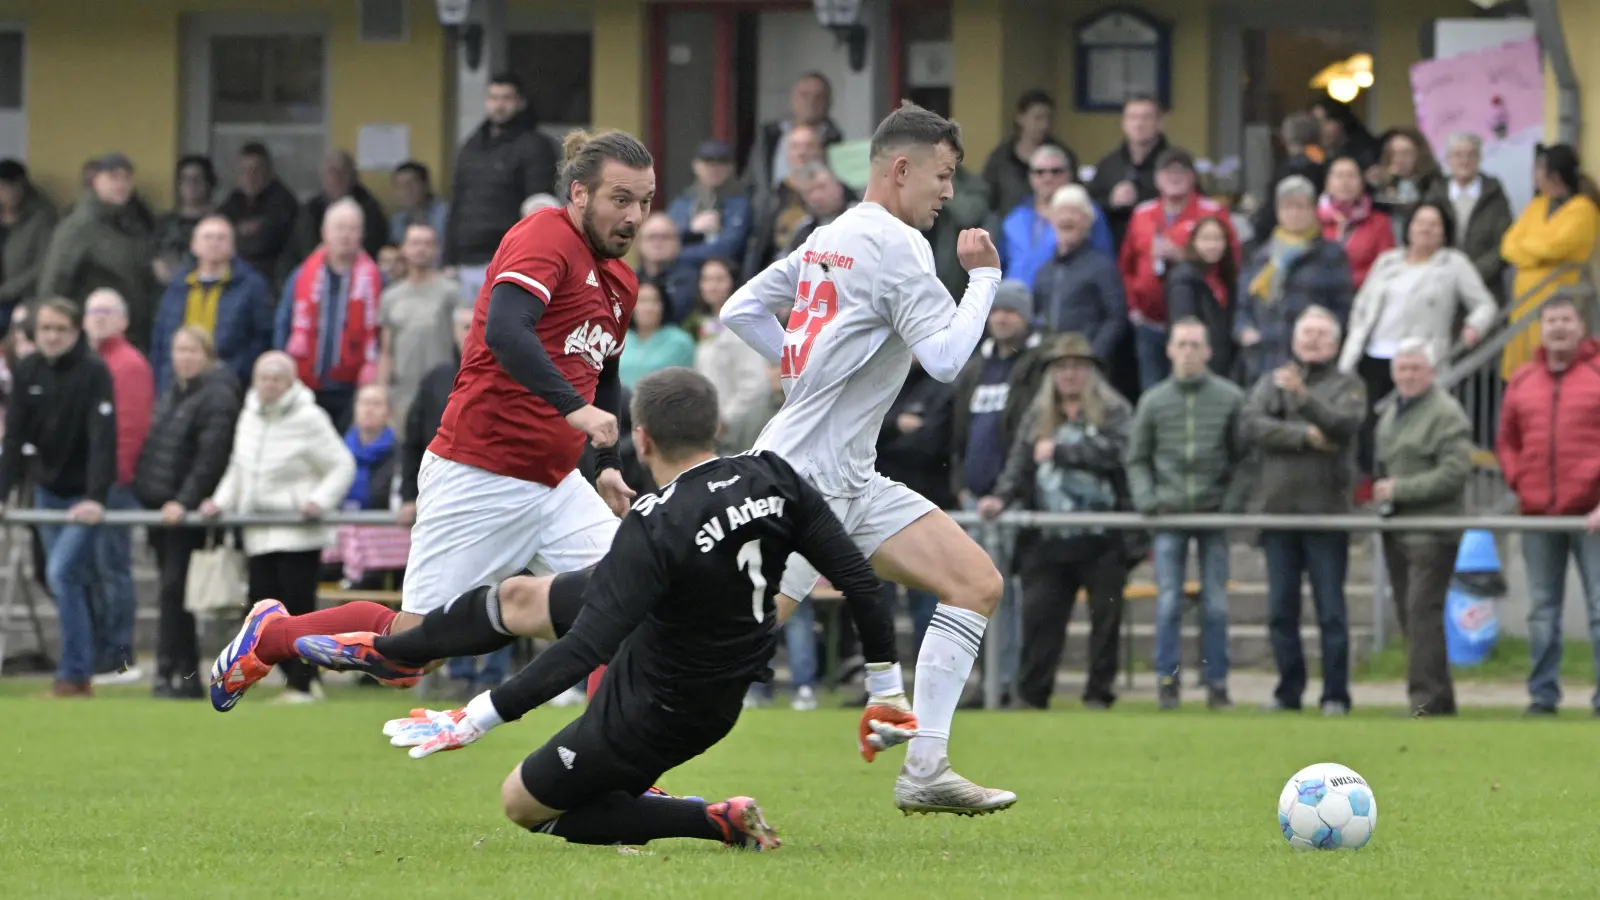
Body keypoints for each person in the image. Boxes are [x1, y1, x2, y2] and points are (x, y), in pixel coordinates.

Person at [296, 368, 906, 850]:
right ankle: (388, 650)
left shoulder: (655, 523)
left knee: (523, 805)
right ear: (715, 425)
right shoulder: (774, 476)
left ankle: (711, 820)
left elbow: (587, 648)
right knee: (520, 596)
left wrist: (475, 717)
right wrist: (888, 692)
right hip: (710, 666)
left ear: (640, 438)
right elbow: (859, 580)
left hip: (662, 702)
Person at [208, 129, 653, 712]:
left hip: (554, 484)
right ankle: (270, 635)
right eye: (621, 198)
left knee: (633, 607)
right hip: (480, 471)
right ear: (578, 194)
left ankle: (616, 780)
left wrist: (605, 466)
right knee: (407, 655)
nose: (635, 215)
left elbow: (604, 375)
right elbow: (505, 331)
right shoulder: (544, 235)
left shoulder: (621, 279)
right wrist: (574, 410)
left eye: (645, 201)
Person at [722, 101, 1015, 814]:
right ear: (901, 168)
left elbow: (739, 310)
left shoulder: (829, 235)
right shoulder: (896, 244)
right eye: (942, 176)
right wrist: (983, 279)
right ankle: (617, 769)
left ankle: (926, 768)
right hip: (799, 487)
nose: (949, 193)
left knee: (975, 582)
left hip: (849, 478)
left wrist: (803, 375)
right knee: (729, 652)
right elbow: (944, 359)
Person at [978, 332, 1132, 709]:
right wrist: (1001, 497)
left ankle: (1098, 694)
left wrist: (1063, 452)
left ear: (1090, 372)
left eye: (1077, 367)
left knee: (1105, 621)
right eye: (1062, 368)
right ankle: (1033, 695)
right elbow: (1019, 462)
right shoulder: (1038, 413)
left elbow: (1122, 454)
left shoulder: (1114, 410)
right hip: (1048, 535)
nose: (1069, 375)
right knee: (1040, 619)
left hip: (1103, 534)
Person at [203, 351, 355, 703]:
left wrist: (319, 500)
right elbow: (238, 469)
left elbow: (341, 464)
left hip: (297, 532)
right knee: (259, 609)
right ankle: (283, 673)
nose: (269, 384)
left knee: (298, 610)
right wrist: (220, 501)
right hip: (259, 531)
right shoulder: (249, 415)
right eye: (263, 377)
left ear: (290, 382)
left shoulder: (310, 417)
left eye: (277, 378)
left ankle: (305, 682)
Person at [1240, 307, 1365, 715]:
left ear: (1335, 342)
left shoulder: (1348, 384)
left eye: (1320, 334)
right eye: (1306, 333)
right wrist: (1305, 436)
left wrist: (1303, 400)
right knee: (1281, 612)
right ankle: (1287, 692)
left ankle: (1335, 695)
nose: (1312, 341)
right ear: (1293, 340)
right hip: (1278, 515)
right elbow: (1252, 425)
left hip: (1326, 515)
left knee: (1331, 611)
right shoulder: (1270, 381)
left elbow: (1343, 425)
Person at [1124, 318, 1248, 710]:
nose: (1189, 352)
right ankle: (1167, 683)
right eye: (1183, 344)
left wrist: (1230, 505)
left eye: (1196, 344)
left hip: (1213, 514)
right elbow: (1137, 458)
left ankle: (1217, 684)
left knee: (1215, 603)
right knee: (1167, 604)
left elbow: (1245, 459)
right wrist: (1148, 500)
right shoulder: (1154, 401)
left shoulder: (1230, 398)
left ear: (1208, 351)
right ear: (1170, 350)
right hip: (1169, 513)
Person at [0, 297, 117, 697]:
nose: (52, 336)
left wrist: (96, 497)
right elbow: (14, 437)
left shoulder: (94, 372)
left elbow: (104, 438)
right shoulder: (28, 369)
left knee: (62, 574)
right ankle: (82, 667)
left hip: (83, 495)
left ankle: (74, 674)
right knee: (66, 579)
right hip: (47, 491)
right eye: (46, 328)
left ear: (75, 331)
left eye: (60, 329)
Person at [1494, 297, 1600, 716]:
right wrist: (1519, 480)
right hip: (1538, 516)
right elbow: (1506, 441)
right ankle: (1542, 696)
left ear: (1580, 326)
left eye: (1566, 319)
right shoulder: (1522, 379)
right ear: (1540, 328)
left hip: (1592, 516)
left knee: (1599, 610)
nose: (1558, 327)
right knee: (1541, 611)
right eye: (1551, 320)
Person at [1340, 201, 1495, 474]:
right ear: (1408, 228)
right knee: (1369, 426)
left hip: (1419, 360)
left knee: (1413, 427)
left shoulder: (1453, 264)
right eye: (1420, 223)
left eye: (1434, 224)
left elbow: (1485, 305)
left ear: (1444, 232)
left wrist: (1474, 327)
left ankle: (1405, 486)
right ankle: (1371, 486)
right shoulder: (1387, 260)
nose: (1426, 229)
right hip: (1374, 355)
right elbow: (1362, 305)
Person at [133, 326, 240, 698]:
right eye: (179, 350)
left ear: (207, 354)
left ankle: (173, 672)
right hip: (161, 508)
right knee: (172, 593)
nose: (185, 357)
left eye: (193, 351)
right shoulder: (176, 391)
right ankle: (181, 672)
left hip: (184, 513)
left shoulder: (217, 395)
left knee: (175, 593)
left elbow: (210, 457)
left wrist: (185, 500)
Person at [1373, 338, 1473, 717]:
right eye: (1402, 368)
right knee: (1412, 616)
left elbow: (1455, 472)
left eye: (1415, 368)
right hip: (1399, 529)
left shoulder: (1446, 413)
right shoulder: (1392, 411)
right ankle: (1439, 697)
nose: (1408, 375)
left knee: (1421, 614)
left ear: (1430, 371)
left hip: (1433, 531)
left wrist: (1402, 490)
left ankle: (1425, 700)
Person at [1119, 148, 1238, 390]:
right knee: (1152, 393)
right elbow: (1126, 266)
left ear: (1193, 177)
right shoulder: (1142, 214)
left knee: (1195, 391)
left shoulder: (1212, 211)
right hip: (1150, 323)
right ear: (1156, 178)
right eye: (1167, 171)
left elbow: (1231, 262)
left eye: (1181, 171)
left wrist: (1184, 256)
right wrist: (1133, 306)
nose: (1174, 177)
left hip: (1196, 326)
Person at [82, 288, 154, 684]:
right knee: (95, 570)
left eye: (107, 311)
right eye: (92, 311)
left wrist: (112, 477)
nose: (98, 317)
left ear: (123, 320)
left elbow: (128, 428)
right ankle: (102, 653)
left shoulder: (127, 364)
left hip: (112, 483)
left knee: (113, 570)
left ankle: (119, 657)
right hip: (92, 482)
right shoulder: (92, 362)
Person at [446, 73, 559, 298]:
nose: (499, 105)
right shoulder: (471, 146)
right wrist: (449, 259)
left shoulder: (535, 147)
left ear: (520, 102)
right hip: (466, 261)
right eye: (494, 98)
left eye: (506, 98)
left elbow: (539, 212)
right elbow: (457, 204)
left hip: (510, 261)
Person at [275, 198, 383, 431]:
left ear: (361, 235)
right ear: (324, 232)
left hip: (354, 388)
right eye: (339, 228)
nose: (345, 235)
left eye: (352, 229)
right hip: (305, 384)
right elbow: (283, 323)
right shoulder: (301, 275)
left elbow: (383, 333)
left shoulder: (376, 279)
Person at [1237, 176, 1354, 385]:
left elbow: (1343, 308)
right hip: (1264, 358)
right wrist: (1244, 331)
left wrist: (1322, 335)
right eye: (1288, 207)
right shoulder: (1261, 255)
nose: (1295, 213)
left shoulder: (1330, 254)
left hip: (1311, 362)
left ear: (1313, 210)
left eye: (1301, 207)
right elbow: (1243, 304)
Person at [1500, 143, 1600, 379]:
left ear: (1553, 175)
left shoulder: (1583, 210)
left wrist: (1526, 253)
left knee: (1551, 364)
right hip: (1525, 303)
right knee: (1522, 370)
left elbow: (1553, 247)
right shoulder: (1538, 205)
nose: (1534, 176)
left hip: (1558, 303)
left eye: (1538, 170)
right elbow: (1508, 245)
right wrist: (1534, 254)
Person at [149, 215, 274, 393]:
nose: (214, 243)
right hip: (176, 384)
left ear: (232, 247)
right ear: (194, 246)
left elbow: (261, 338)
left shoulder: (251, 286)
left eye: (221, 238)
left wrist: (235, 374)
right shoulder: (177, 286)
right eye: (207, 237)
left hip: (227, 387)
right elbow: (160, 339)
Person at [375, 223, 462, 430]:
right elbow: (386, 352)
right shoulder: (390, 296)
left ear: (437, 250)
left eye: (427, 243)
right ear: (404, 249)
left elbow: (464, 345)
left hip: (441, 391)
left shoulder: (451, 292)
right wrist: (380, 390)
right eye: (414, 243)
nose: (421, 248)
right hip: (403, 392)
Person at [216, 143, 301, 289]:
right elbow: (217, 230)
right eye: (244, 171)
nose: (250, 177)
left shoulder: (283, 200)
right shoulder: (234, 199)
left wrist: (235, 233)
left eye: (256, 170)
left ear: (268, 171)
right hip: (234, 278)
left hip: (270, 280)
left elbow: (263, 243)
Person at [1165, 216, 1239, 380]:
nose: (1212, 245)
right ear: (1194, 242)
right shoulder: (1183, 279)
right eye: (1206, 239)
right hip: (1197, 366)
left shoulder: (1224, 278)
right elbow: (1184, 324)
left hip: (1223, 363)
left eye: (1218, 239)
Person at [982, 90, 1067, 217]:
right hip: (1008, 227)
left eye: (1048, 118)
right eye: (1038, 118)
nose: (1044, 125)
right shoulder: (1001, 158)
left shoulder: (1062, 156)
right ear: (1020, 118)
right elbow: (988, 199)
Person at [1319, 155, 1394, 291]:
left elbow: (1387, 267)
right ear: (1327, 183)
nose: (1345, 182)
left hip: (1365, 293)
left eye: (1351, 176)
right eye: (1339, 176)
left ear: (1362, 183)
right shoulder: (1314, 220)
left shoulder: (1379, 222)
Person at [0, 160, 58, 319]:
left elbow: (43, 264)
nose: (9, 193)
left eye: (14, 187)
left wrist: (6, 291)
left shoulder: (41, 218)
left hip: (23, 298)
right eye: (4, 187)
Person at [618, 281, 696, 389]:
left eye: (655, 301)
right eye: (642, 301)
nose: (649, 308)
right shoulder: (618, 339)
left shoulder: (680, 341)